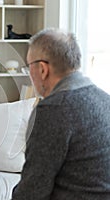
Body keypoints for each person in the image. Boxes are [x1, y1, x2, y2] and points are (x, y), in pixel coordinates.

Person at [12, 28, 110, 200]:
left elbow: (32, 192)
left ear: (43, 69)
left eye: (29, 67)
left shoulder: (53, 110)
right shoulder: (105, 100)